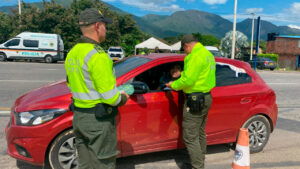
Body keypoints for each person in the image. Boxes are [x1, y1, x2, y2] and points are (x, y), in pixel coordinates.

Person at [65, 8, 129, 169]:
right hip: (98, 121)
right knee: (104, 163)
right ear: (97, 26)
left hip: (79, 117)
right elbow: (111, 98)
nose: (105, 30)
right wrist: (123, 96)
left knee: (85, 163)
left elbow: (70, 84)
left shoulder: (72, 53)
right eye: (105, 26)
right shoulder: (98, 56)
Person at [166, 34, 216, 169]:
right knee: (199, 132)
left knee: (189, 136)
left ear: (187, 45)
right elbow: (199, 74)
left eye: (183, 49)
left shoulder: (193, 56)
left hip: (194, 100)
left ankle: (197, 166)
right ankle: (199, 160)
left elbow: (189, 81)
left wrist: (173, 85)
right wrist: (182, 74)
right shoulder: (207, 54)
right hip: (206, 97)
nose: (184, 52)